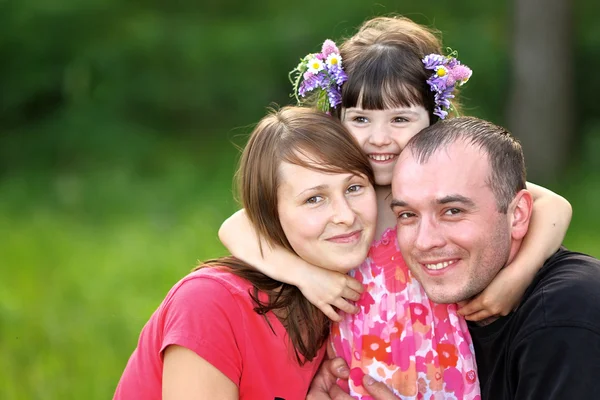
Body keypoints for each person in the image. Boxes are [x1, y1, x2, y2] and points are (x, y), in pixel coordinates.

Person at [219, 16, 572, 399]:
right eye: (360, 119)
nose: (379, 138)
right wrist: (306, 275)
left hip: (448, 379)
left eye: (400, 118)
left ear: (434, 118)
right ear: (337, 118)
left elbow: (554, 204)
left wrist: (516, 276)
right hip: (360, 384)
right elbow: (236, 226)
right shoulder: (347, 197)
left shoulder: (444, 184)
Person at [313, 116, 600, 400]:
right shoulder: (434, 318)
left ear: (518, 215)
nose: (425, 242)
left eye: (452, 211)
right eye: (407, 215)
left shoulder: (566, 314)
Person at [113, 106, 379, 400]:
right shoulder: (209, 303)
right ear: (269, 214)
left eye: (354, 187)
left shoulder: (351, 296)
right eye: (314, 199)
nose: (345, 215)